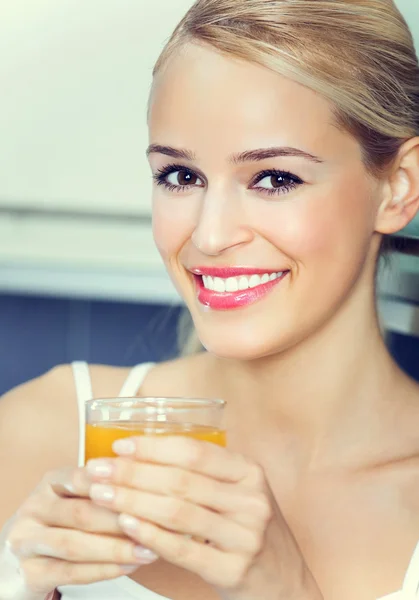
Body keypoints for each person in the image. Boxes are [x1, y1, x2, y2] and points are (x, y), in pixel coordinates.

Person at [1, 0, 419, 598]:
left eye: (275, 178)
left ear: (398, 187)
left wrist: (285, 588)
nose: (209, 235)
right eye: (181, 176)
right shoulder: (42, 432)